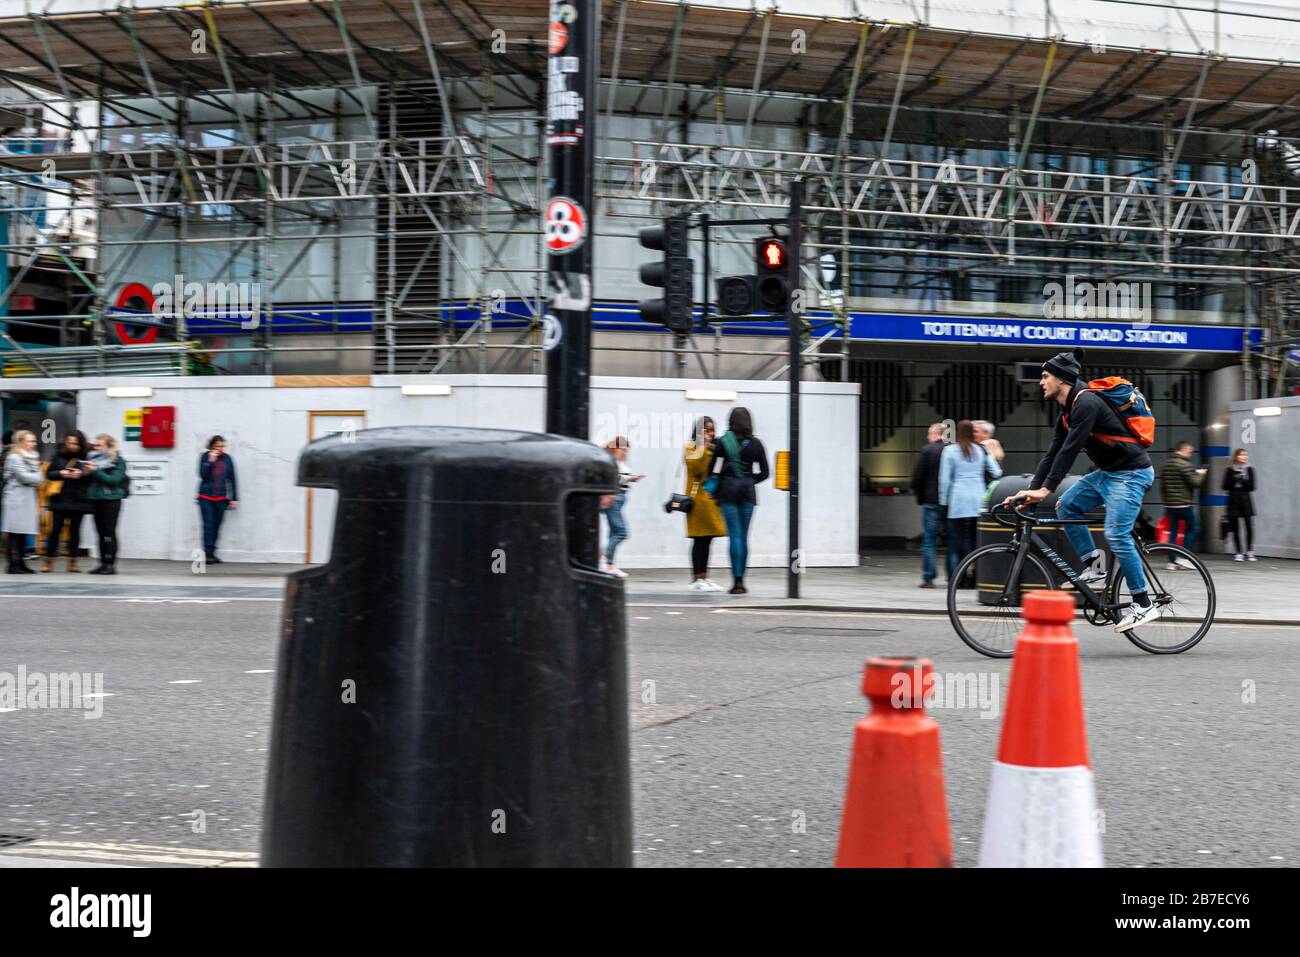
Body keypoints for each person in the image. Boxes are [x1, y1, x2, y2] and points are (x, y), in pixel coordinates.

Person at [1006, 348, 1157, 633]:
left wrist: (1046, 488)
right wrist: (1031, 491)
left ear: (1062, 379)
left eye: (1045, 376)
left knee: (1116, 533)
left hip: (1131, 474)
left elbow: (1070, 449)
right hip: (1108, 474)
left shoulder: (1086, 402)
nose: (1041, 382)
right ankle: (1095, 566)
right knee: (1066, 506)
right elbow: (1052, 453)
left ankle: (1143, 602)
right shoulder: (1066, 411)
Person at [710, 407, 770, 595]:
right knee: (744, 537)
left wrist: (719, 481)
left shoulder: (721, 442)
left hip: (727, 492)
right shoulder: (756, 444)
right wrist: (750, 480)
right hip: (748, 494)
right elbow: (766, 472)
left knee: (734, 536)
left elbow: (713, 470)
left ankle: (735, 582)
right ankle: (742, 582)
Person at [940, 419, 1002, 585]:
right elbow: (996, 472)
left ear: (958, 433)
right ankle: (977, 575)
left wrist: (943, 501)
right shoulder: (981, 450)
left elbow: (945, 480)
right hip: (978, 498)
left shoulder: (950, 451)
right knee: (976, 539)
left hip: (958, 499)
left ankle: (960, 577)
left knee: (957, 540)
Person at [683, 416, 726, 592]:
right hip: (697, 501)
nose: (711, 433)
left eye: (712, 430)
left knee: (708, 540)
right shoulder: (691, 448)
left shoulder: (716, 448)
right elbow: (696, 468)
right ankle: (696, 578)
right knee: (698, 540)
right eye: (707, 430)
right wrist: (704, 447)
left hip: (711, 499)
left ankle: (705, 577)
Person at [42, 430, 93, 573]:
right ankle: (48, 561)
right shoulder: (57, 454)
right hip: (60, 498)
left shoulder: (87, 456)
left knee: (75, 532)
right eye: (69, 443)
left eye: (75, 443)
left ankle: (73, 561)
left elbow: (92, 478)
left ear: (80, 443)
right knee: (55, 531)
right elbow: (49, 474)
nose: (72, 446)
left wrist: (82, 474)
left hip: (79, 499)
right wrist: (60, 473)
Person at [82, 433, 128, 575]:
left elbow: (113, 480)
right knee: (100, 533)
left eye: (99, 445)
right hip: (96, 499)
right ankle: (102, 563)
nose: (95, 448)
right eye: (95, 445)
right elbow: (88, 481)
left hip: (111, 499)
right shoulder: (92, 459)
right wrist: (84, 473)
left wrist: (95, 471)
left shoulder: (117, 460)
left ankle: (110, 564)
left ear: (108, 446)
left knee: (109, 532)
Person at [1158, 440, 1205, 570]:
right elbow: (1195, 483)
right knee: (1193, 529)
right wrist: (1201, 474)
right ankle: (1183, 557)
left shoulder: (1166, 464)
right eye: (1190, 452)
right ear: (1184, 450)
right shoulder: (1185, 465)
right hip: (1183, 505)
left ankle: (1172, 562)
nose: (1190, 454)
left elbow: (1162, 486)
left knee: (1172, 533)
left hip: (1170, 506)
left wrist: (1167, 501)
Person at [911, 422, 946, 588]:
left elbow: (918, 476)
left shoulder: (927, 450)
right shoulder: (951, 450)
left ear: (934, 434)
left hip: (931, 500)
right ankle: (954, 576)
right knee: (953, 539)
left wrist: (919, 497)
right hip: (948, 502)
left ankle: (928, 577)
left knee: (929, 540)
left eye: (929, 433)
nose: (927, 437)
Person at [599, 436, 640, 578]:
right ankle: (601, 553)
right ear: (614, 447)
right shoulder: (610, 461)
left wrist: (629, 477)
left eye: (626, 449)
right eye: (622, 448)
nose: (624, 452)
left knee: (613, 532)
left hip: (618, 497)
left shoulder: (617, 461)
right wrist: (629, 478)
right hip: (613, 498)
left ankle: (609, 566)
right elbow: (613, 478)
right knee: (621, 532)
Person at [2, 430, 42, 574]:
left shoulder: (33, 457)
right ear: (21, 442)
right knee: (14, 533)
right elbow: (25, 477)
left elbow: (39, 478)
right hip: (15, 499)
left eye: (34, 441)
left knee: (23, 533)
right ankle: (13, 564)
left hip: (27, 499)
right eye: (30, 441)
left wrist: (35, 477)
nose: (33, 444)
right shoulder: (14, 457)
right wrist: (35, 477)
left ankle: (22, 563)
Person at [197, 435, 239, 564]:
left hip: (221, 498)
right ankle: (208, 554)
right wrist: (211, 460)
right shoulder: (205, 456)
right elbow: (202, 475)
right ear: (212, 446)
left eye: (222, 446)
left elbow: (232, 478)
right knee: (208, 525)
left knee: (217, 525)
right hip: (205, 497)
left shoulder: (227, 459)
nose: (220, 449)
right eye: (217, 446)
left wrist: (233, 498)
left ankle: (212, 553)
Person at [1223, 448, 1256, 562]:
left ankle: (1250, 551)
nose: (1244, 457)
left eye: (1245, 455)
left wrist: (1243, 479)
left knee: (1249, 527)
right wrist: (1234, 478)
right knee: (1235, 528)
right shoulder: (1230, 469)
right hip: (1233, 500)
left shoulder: (1250, 469)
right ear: (1236, 456)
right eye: (1241, 455)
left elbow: (1252, 487)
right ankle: (1238, 552)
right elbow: (1225, 486)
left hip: (1246, 500)